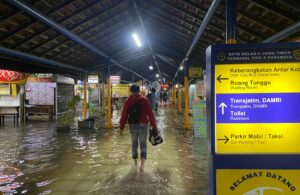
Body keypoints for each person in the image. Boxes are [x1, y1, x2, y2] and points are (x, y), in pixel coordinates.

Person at [119, 85, 157, 173]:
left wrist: (121, 127)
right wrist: (154, 126)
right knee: (143, 144)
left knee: (134, 144)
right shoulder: (145, 99)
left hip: (133, 125)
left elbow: (124, 115)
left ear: (131, 91)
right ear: (139, 91)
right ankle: (142, 166)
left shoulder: (128, 100)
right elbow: (150, 114)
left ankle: (135, 163)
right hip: (144, 125)